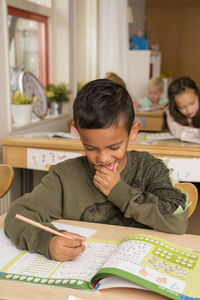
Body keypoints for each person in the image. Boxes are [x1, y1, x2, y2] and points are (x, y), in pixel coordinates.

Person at [4, 79, 188, 262]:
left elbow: (177, 220)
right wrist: (47, 242)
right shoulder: (64, 176)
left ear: (133, 131)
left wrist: (120, 192)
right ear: (77, 132)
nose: (103, 159)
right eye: (91, 148)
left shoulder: (149, 168)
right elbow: (18, 215)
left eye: (114, 147)